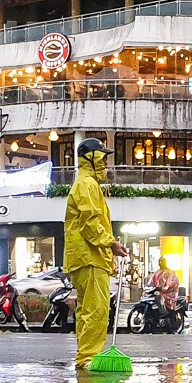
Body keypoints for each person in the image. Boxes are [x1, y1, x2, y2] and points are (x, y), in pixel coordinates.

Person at [63, 138, 128, 369]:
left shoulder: (87, 184)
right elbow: (90, 223)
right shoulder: (87, 185)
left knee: (86, 311)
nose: (105, 163)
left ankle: (85, 357)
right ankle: (88, 357)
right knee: (97, 310)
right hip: (90, 257)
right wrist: (111, 244)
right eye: (102, 157)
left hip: (85, 257)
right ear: (90, 158)